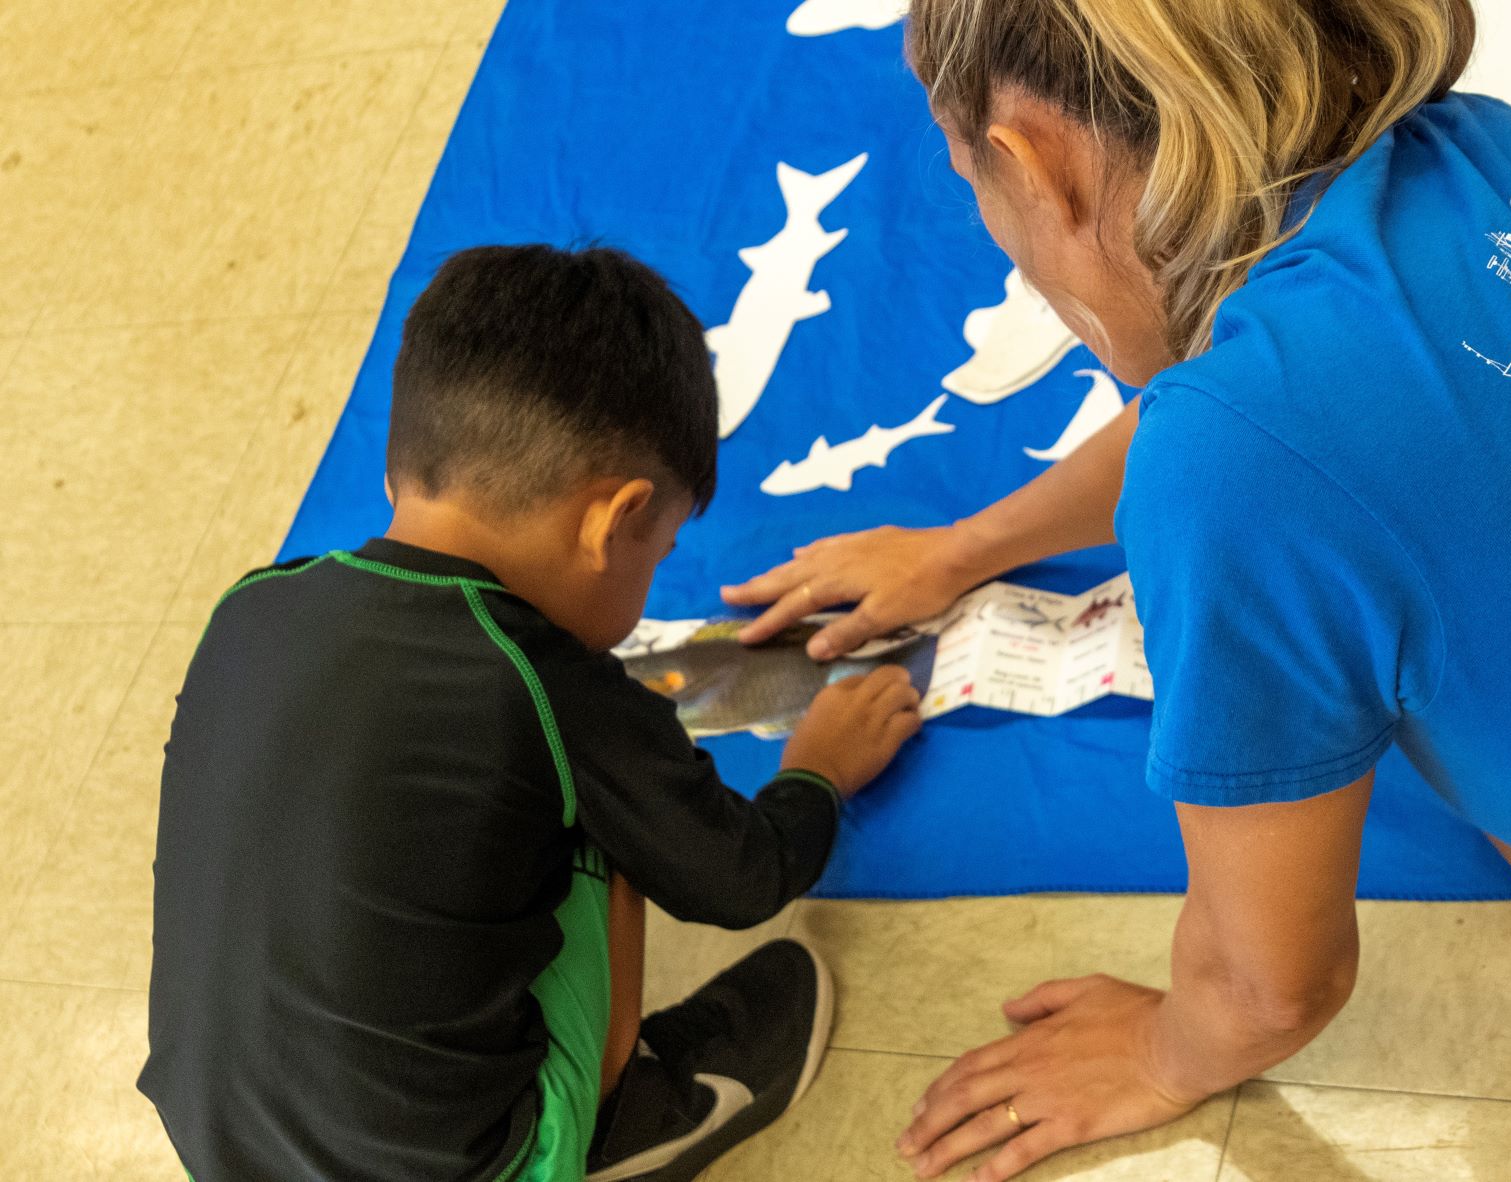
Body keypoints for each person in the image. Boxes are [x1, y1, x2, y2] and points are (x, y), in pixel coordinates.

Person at [721, 1, 1511, 1178]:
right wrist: (966, 546)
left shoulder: (1231, 466)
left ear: (1032, 158)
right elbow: (1262, 400)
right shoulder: (1484, 150)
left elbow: (1275, 988)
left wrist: (1170, 1054)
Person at [138, 244, 923, 1181]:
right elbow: (741, 879)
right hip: (469, 1166)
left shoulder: (254, 603)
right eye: (658, 548)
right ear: (611, 520)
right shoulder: (543, 681)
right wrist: (818, 770)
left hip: (220, 1142)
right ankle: (630, 1115)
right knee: (604, 803)